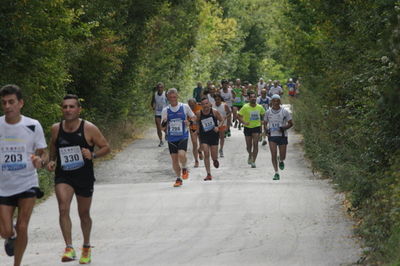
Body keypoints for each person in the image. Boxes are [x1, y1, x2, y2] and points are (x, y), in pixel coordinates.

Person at [47, 94, 110, 264]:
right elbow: (53, 144)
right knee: (63, 208)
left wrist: (93, 154)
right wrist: (52, 160)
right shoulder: (56, 128)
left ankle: (86, 246)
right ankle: (69, 248)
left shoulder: (88, 128)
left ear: (79, 109)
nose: (68, 110)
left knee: (84, 214)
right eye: (65, 107)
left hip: (84, 176)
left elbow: (106, 147)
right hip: (64, 176)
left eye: (71, 106)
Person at [0, 84, 47, 266]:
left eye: (11, 102)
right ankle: (10, 236)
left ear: (20, 103)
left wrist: (40, 161)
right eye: (4, 103)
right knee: (5, 231)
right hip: (4, 185)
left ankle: (17, 264)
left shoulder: (32, 125)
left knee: (22, 225)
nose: (7, 106)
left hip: (27, 182)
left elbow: (43, 152)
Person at [161, 88, 196, 187]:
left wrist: (189, 122)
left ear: (177, 96)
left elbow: (194, 117)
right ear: (168, 98)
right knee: (174, 160)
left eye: (174, 97)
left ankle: (184, 167)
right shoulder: (165, 110)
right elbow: (162, 127)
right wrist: (165, 122)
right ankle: (178, 178)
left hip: (183, 135)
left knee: (181, 154)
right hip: (171, 138)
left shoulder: (184, 107)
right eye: (170, 97)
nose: (173, 99)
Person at [264, 94, 293, 180]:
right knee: (273, 154)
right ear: (271, 102)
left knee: (283, 156)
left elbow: (291, 123)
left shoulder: (285, 112)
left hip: (282, 136)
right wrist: (266, 130)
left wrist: (283, 128)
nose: (276, 102)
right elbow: (265, 123)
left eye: (277, 101)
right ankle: (276, 173)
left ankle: (281, 160)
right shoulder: (268, 112)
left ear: (280, 102)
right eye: (274, 100)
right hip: (272, 136)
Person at [196, 97, 223, 181]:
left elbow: (222, 120)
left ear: (209, 104)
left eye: (206, 103)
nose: (205, 106)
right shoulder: (199, 113)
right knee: (206, 153)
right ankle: (208, 174)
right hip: (204, 136)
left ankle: (215, 160)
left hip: (214, 136)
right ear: (201, 105)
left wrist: (218, 127)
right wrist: (197, 130)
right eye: (203, 104)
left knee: (213, 156)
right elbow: (197, 122)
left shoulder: (214, 112)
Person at [237, 92, 265, 168]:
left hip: (256, 127)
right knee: (248, 146)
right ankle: (250, 154)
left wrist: (263, 121)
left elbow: (264, 115)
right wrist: (243, 122)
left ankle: (253, 161)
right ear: (249, 98)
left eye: (254, 97)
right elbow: (238, 115)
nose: (253, 98)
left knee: (255, 144)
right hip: (247, 128)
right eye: (251, 97)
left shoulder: (260, 107)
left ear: (256, 98)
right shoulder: (245, 107)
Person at [213, 93, 231, 158]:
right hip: (214, 124)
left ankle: (221, 149)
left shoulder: (224, 105)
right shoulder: (212, 105)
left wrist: (226, 117)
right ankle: (215, 149)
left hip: (223, 123)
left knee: (222, 137)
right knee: (215, 137)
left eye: (218, 99)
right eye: (216, 99)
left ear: (220, 99)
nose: (217, 101)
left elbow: (229, 113)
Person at [151, 82, 168, 147]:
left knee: (164, 126)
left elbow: (170, 100)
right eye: (158, 87)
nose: (160, 88)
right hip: (157, 112)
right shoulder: (155, 94)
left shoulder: (165, 94)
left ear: (163, 88)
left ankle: (166, 133)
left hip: (165, 112)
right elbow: (152, 102)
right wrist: (153, 106)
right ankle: (161, 141)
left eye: (161, 87)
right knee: (158, 127)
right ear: (157, 88)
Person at [187, 98, 202, 168]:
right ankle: (196, 161)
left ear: (196, 103)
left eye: (192, 105)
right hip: (192, 128)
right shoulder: (187, 110)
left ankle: (200, 150)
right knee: (194, 143)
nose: (191, 107)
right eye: (190, 105)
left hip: (201, 128)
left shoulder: (200, 107)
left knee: (202, 143)